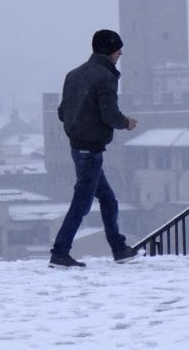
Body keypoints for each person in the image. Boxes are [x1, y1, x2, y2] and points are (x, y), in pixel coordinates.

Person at [49, 29, 139, 268]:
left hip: (78, 148)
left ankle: (119, 249)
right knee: (82, 203)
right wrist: (126, 123)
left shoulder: (74, 75)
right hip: (91, 151)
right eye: (118, 49)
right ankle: (60, 252)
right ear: (109, 50)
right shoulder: (105, 78)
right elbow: (109, 114)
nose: (120, 53)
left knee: (108, 200)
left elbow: (61, 112)